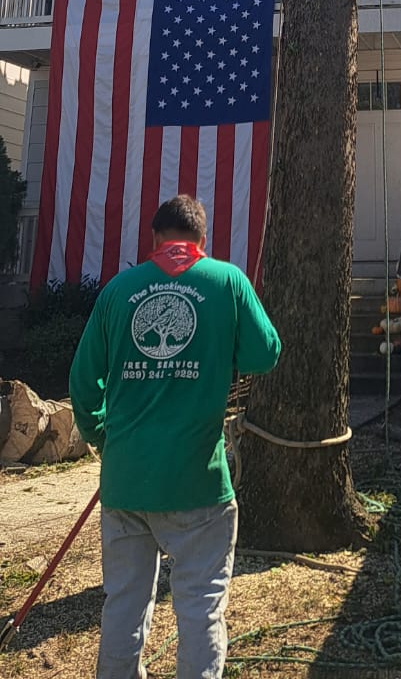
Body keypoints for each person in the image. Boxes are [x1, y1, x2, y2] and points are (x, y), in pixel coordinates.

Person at [69, 194, 281, 679]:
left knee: (122, 604)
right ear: (202, 241)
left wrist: (104, 437)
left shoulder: (119, 291)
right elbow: (264, 353)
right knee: (200, 607)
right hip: (198, 483)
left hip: (126, 478)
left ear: (154, 240)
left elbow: (83, 382)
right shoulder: (226, 281)